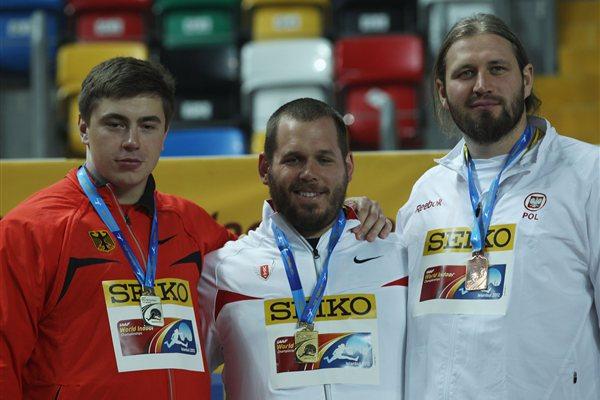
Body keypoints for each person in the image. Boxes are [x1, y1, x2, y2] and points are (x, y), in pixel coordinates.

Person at [0, 58, 389, 399]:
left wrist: (345, 212)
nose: (132, 141)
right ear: (83, 128)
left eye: (148, 125)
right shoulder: (30, 230)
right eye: (115, 124)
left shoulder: (191, 227)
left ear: (165, 135)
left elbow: (280, 255)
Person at [396, 13, 599, 399]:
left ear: (526, 79)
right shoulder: (425, 194)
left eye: (497, 69)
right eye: (465, 73)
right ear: (441, 90)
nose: (482, 85)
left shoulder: (588, 176)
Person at [199, 98, 408, 400]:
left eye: (324, 159)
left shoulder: (397, 256)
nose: (309, 173)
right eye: (293, 159)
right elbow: (171, 374)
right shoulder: (222, 272)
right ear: (264, 168)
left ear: (348, 167)